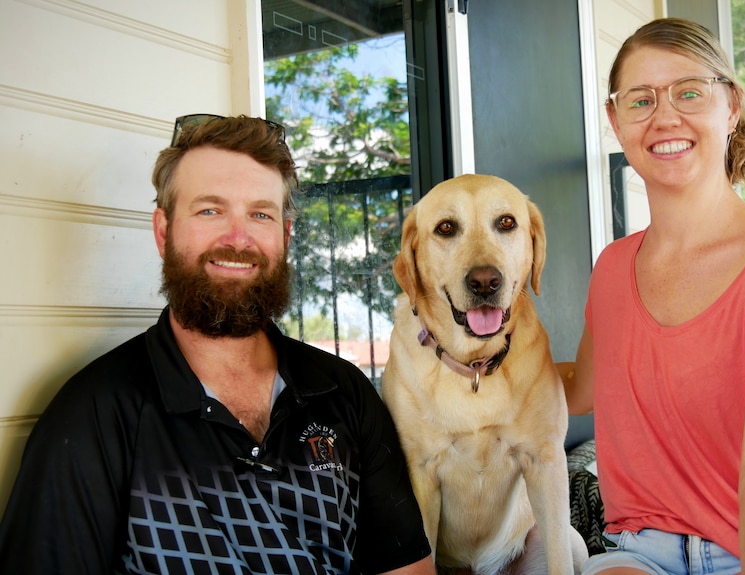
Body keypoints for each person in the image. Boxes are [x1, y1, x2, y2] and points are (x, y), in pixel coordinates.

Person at [0, 114, 435, 575]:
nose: (238, 239)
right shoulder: (94, 415)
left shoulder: (343, 392)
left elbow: (405, 568)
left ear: (284, 238)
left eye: (260, 214)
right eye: (210, 210)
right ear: (164, 231)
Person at [562, 17, 745, 575]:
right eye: (641, 99)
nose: (665, 115)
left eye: (689, 92)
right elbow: (581, 389)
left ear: (730, 107)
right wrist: (467, 360)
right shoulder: (611, 268)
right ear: (615, 120)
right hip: (642, 551)